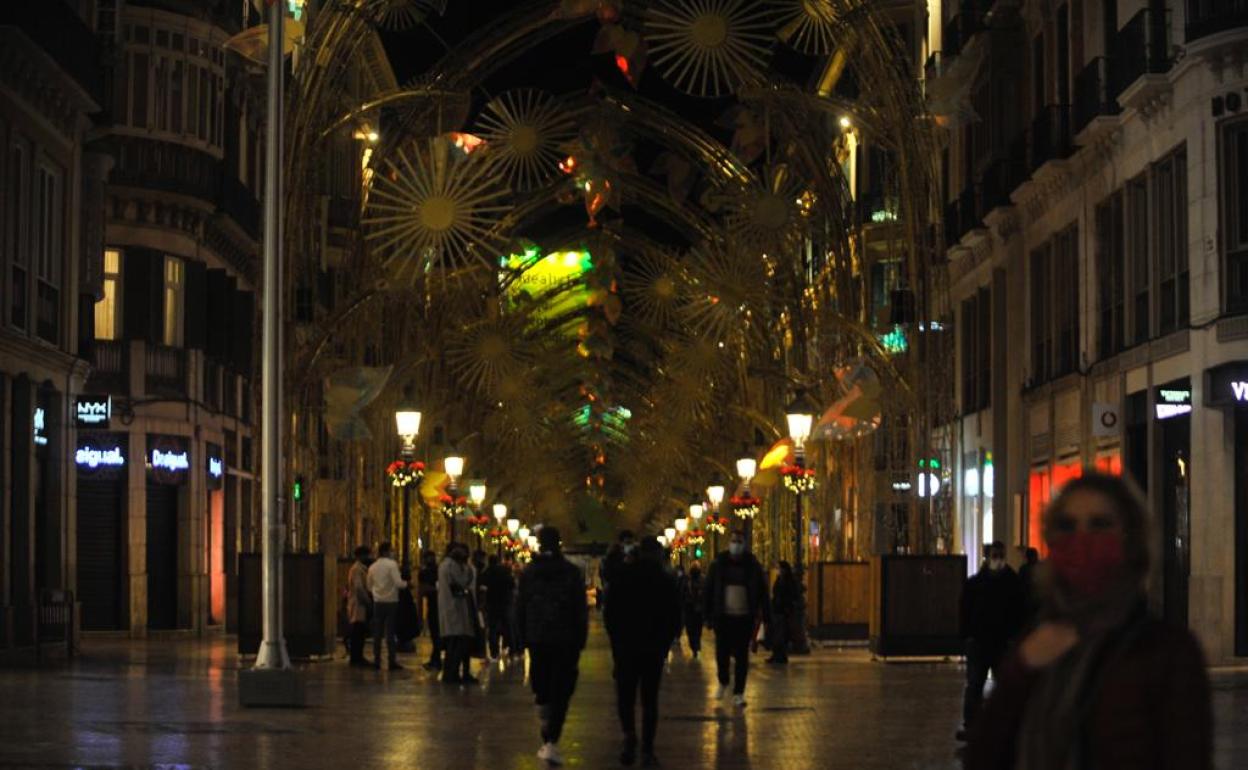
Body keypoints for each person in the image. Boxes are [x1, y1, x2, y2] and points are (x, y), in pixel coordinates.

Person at [967, 473, 1212, 770]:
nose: (1082, 540)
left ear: (1131, 538)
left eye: (1100, 524)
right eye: (1067, 526)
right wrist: (1020, 671)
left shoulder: (1167, 652)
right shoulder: (1037, 641)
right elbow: (985, 755)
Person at [605, 536, 681, 767]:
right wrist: (665, 642)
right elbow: (676, 618)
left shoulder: (622, 577)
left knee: (625, 697)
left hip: (626, 647)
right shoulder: (665, 580)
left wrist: (616, 643)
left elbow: (610, 615)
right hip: (653, 649)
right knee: (650, 699)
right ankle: (647, 749)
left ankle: (629, 737)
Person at [516, 526, 588, 766]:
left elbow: (521, 606)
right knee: (563, 688)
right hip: (566, 639)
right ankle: (552, 735)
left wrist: (520, 637)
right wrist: (581, 638)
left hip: (538, 638)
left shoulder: (529, 572)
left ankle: (546, 721)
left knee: (542, 685)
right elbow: (580, 609)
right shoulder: (571, 572)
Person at [958, 540, 1025, 739]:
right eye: (995, 555)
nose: (997, 559)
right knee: (976, 684)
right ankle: (974, 725)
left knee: (991, 685)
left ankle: (998, 726)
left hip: (998, 641)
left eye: (999, 555)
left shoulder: (984, 583)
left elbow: (1020, 613)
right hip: (983, 641)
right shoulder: (1007, 583)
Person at [703, 528, 769, 707]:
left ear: (744, 544)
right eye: (734, 541)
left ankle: (738, 692)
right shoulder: (718, 564)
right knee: (721, 654)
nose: (736, 545)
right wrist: (708, 614)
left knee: (742, 656)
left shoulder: (753, 565)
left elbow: (763, 591)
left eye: (739, 541)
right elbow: (709, 589)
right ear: (728, 543)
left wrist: (765, 615)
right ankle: (723, 681)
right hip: (723, 617)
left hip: (744, 617)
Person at [437, 542, 479, 684]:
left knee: (454, 642)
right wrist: (470, 572)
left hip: (452, 608)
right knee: (457, 642)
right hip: (456, 608)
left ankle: (452, 673)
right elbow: (461, 582)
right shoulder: (452, 566)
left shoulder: (445, 565)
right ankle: (452, 673)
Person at [366, 541, 406, 670]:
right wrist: (406, 584)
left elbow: (368, 585)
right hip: (391, 601)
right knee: (390, 632)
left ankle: (377, 660)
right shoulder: (392, 565)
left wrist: (376, 593)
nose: (393, 553)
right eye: (391, 550)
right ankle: (391, 661)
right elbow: (398, 583)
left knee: (377, 633)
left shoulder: (372, 567)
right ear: (386, 552)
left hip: (377, 602)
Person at [481, 553, 516, 659]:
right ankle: (512, 649)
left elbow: (482, 585)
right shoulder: (504, 571)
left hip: (492, 603)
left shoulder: (487, 572)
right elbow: (512, 584)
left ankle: (494, 651)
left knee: (493, 628)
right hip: (505, 602)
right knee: (508, 626)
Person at [767, 560, 799, 665]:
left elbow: (791, 595)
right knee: (776, 634)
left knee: (781, 634)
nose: (778, 570)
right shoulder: (779, 580)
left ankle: (781, 655)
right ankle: (776, 655)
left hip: (784, 611)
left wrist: (787, 607)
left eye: (780, 568)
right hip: (777, 609)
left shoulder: (789, 581)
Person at [346, 545, 372, 667]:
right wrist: (367, 600)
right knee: (357, 631)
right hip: (358, 603)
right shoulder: (357, 569)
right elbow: (358, 587)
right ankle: (356, 658)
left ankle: (358, 656)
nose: (367, 557)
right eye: (365, 555)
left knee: (360, 631)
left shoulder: (361, 568)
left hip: (359, 603)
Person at [418, 550, 443, 671]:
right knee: (436, 634)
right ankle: (436, 659)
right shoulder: (438, 570)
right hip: (438, 605)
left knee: (435, 634)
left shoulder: (425, 572)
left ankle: (436, 660)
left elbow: (423, 590)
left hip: (434, 605)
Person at [601, 530, 637, 604]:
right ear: (621, 543)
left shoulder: (636, 556)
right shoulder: (612, 557)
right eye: (628, 543)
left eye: (631, 543)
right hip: (616, 595)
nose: (630, 546)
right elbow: (607, 576)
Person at [682, 564, 705, 658]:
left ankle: (695, 645)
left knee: (693, 628)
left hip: (692, 608)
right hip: (693, 608)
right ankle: (695, 645)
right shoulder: (688, 580)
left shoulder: (689, 580)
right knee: (695, 629)